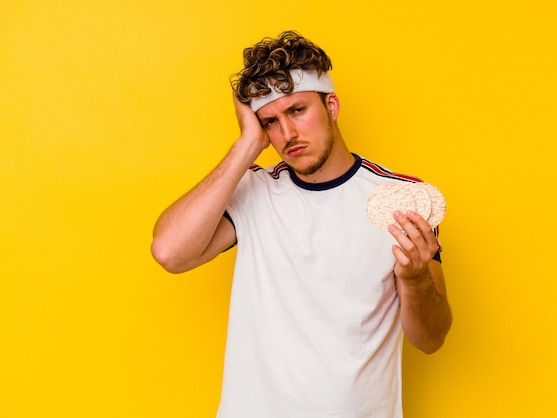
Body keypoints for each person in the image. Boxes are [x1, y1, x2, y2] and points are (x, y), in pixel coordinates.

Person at [151, 30, 452, 418]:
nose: (287, 134)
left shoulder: (403, 199)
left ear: (332, 105)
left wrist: (414, 280)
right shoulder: (256, 191)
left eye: (297, 111)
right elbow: (169, 252)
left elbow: (431, 340)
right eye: (270, 122)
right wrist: (246, 147)